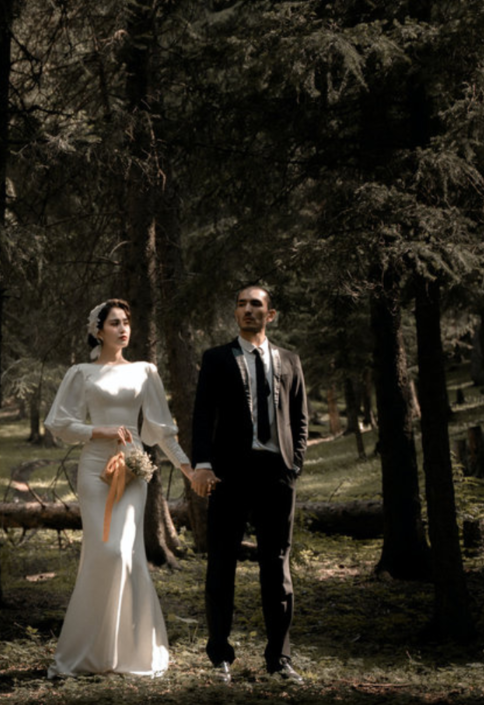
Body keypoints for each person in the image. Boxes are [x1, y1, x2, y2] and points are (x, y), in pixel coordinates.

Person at [44, 299, 196, 678]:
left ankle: (134, 652)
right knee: (103, 553)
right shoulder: (81, 373)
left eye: (126, 322)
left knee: (125, 554)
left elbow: (161, 430)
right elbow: (60, 424)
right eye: (114, 323)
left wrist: (188, 468)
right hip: (95, 469)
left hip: (132, 469)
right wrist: (99, 430)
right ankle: (90, 652)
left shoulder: (145, 371)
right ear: (98, 331)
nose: (123, 328)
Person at [188, 285, 308, 684]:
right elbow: (202, 415)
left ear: (270, 314)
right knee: (221, 564)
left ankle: (280, 659)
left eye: (256, 304)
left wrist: (294, 464)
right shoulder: (217, 358)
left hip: (277, 475)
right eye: (241, 304)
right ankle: (220, 656)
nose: (247, 310)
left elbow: (300, 417)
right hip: (230, 475)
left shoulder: (289, 360)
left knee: (277, 566)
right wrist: (203, 464)